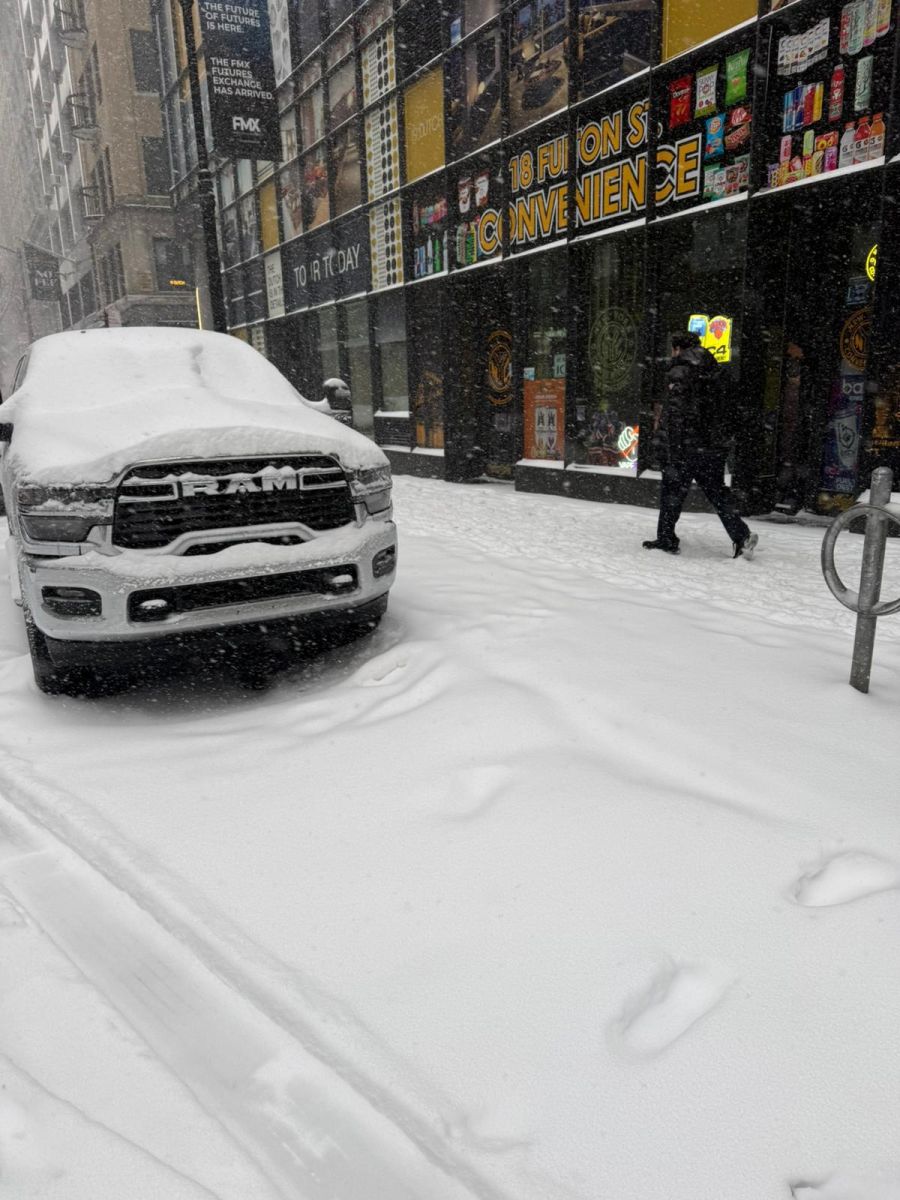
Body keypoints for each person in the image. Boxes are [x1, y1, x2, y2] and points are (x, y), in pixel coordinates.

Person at [643, 331, 758, 558]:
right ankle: (741, 536)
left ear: (677, 348)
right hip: (712, 445)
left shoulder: (681, 370)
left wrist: (670, 447)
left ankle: (666, 539)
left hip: (686, 445)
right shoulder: (716, 370)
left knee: (672, 491)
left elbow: (676, 413)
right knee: (717, 491)